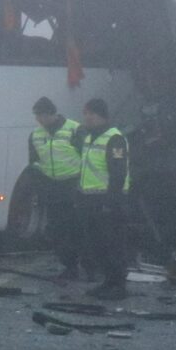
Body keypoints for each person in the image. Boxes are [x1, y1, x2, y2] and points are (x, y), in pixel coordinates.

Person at [74, 97, 132, 300]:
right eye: (86, 113)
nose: (87, 117)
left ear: (101, 115)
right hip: (90, 201)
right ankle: (108, 282)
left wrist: (110, 202)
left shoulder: (114, 138)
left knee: (113, 245)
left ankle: (119, 286)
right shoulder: (91, 137)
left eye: (91, 113)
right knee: (97, 245)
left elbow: (118, 173)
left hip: (108, 202)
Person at [28, 96, 84, 281]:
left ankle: (88, 266)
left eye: (41, 115)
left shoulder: (75, 130)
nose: (38, 120)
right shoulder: (36, 135)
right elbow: (34, 163)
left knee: (78, 228)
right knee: (58, 230)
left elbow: (88, 158)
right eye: (36, 116)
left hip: (73, 186)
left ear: (51, 114)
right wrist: (38, 188)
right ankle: (70, 266)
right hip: (51, 188)